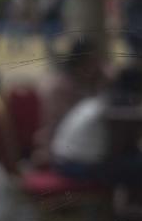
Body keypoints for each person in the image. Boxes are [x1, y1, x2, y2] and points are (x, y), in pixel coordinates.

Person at [30, 37, 104, 168]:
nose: (97, 66)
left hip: (85, 147)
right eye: (91, 62)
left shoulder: (95, 83)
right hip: (58, 149)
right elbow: (56, 124)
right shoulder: (59, 88)